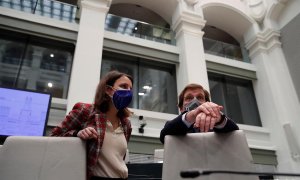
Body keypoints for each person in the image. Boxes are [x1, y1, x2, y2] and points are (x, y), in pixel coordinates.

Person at [51, 70, 133, 180]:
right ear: (108, 90)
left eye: (130, 89)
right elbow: (54, 136)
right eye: (124, 86)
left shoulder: (126, 123)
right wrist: (77, 133)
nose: (128, 91)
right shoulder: (85, 111)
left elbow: (119, 159)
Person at [160, 83, 239, 144]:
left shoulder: (215, 125)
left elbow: (235, 135)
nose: (195, 101)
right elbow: (164, 137)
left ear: (207, 103)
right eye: (189, 98)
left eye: (200, 97)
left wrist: (219, 119)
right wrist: (192, 115)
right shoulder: (173, 126)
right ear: (181, 108)